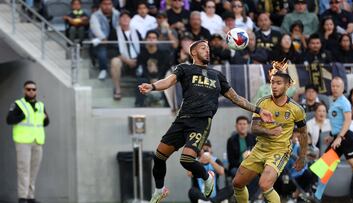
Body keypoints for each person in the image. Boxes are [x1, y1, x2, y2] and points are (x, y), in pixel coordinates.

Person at [138, 39, 273, 203]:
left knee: (186, 160)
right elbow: (168, 82)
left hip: (200, 122)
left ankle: (207, 176)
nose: (207, 51)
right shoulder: (184, 68)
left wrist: (258, 110)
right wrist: (152, 87)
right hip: (182, 120)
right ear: (193, 52)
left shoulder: (217, 75)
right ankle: (160, 190)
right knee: (159, 157)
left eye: (208, 48)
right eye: (203, 48)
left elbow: (236, 98)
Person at [232, 60, 308, 203]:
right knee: (237, 183)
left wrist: (302, 156)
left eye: (278, 83)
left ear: (287, 85)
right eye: (272, 82)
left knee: (265, 184)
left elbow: (303, 133)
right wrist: (269, 132)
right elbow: (254, 128)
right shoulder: (263, 102)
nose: (274, 86)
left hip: (279, 151)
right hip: (260, 149)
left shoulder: (296, 109)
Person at [6, 81, 50, 203]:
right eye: (28, 89)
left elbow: (46, 122)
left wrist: (45, 119)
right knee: (24, 169)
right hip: (23, 141)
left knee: (34, 170)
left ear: (36, 91)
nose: (31, 91)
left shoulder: (40, 105)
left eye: (33, 89)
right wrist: (22, 116)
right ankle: (22, 197)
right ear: (24, 90)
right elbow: (9, 120)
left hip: (37, 141)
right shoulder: (18, 104)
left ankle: (30, 196)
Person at [324, 77, 353, 201]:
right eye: (333, 86)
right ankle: (316, 196)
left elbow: (348, 121)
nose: (334, 88)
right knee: (323, 167)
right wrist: (331, 135)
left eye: (337, 86)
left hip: (346, 138)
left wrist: (339, 137)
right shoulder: (333, 101)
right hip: (337, 138)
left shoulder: (344, 102)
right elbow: (336, 123)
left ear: (343, 88)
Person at [110, 10, 142, 100]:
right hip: (123, 61)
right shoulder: (114, 32)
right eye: (122, 17)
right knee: (114, 61)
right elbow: (112, 51)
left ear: (130, 19)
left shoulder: (136, 32)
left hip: (137, 61)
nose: (125, 19)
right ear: (119, 20)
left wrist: (137, 60)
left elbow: (143, 48)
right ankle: (117, 89)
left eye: (127, 17)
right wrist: (127, 60)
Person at [89, 0, 120, 80]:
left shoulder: (117, 14)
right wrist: (102, 38)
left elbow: (119, 26)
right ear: (100, 5)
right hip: (101, 40)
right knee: (102, 51)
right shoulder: (95, 15)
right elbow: (95, 28)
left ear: (112, 5)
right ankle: (103, 70)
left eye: (109, 4)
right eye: (105, 4)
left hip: (115, 40)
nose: (107, 6)